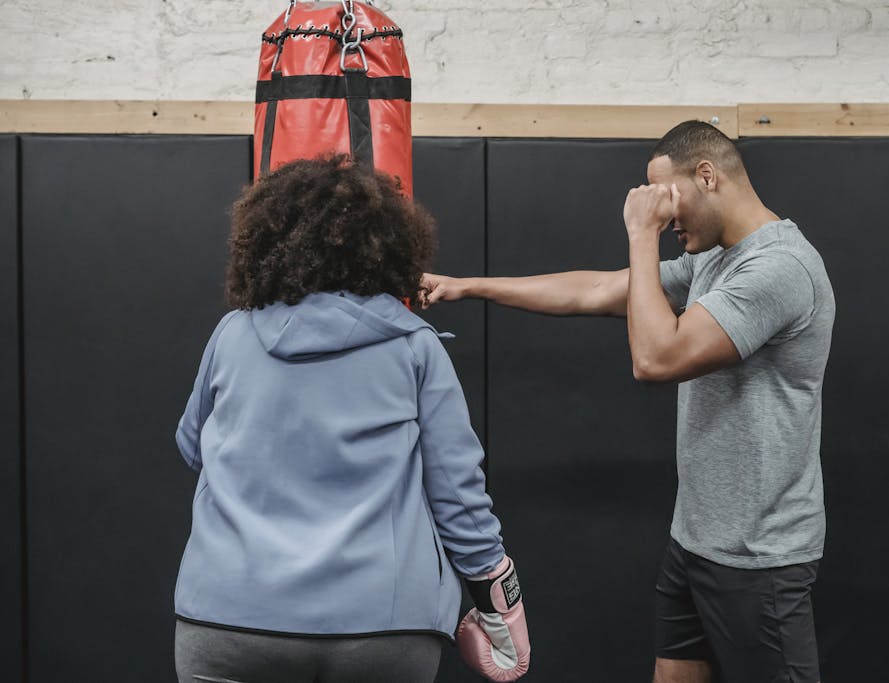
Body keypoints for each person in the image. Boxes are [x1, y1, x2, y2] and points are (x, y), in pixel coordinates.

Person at [421, 121, 835, 683]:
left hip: (758, 556)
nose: (666, 216)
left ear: (707, 176)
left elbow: (656, 359)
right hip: (695, 540)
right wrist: (471, 285)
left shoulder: (776, 269)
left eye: (669, 196)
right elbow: (596, 290)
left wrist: (642, 235)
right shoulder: (715, 260)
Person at [173, 155, 530, 683]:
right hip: (381, 626)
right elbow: (458, 496)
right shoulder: (415, 347)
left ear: (266, 243)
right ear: (388, 249)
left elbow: (193, 447)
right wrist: (503, 605)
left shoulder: (233, 333)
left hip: (229, 615)